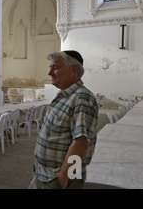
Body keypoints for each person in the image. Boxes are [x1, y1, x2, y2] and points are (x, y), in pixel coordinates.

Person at [33, 50, 98, 189]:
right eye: (50, 68)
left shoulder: (81, 98)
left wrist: (63, 178)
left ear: (73, 69)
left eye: (55, 67)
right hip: (46, 175)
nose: (49, 73)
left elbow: (81, 143)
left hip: (58, 180)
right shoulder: (65, 95)